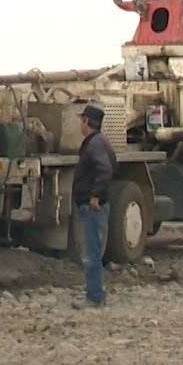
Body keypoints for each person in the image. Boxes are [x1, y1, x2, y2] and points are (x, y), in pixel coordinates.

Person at [72, 103, 117, 309]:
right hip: (92, 206)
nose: (80, 124)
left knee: (91, 253)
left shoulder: (95, 144)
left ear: (86, 122)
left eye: (81, 120)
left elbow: (105, 170)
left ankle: (95, 296)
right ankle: (95, 292)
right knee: (92, 251)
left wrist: (95, 195)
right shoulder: (100, 142)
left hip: (92, 208)